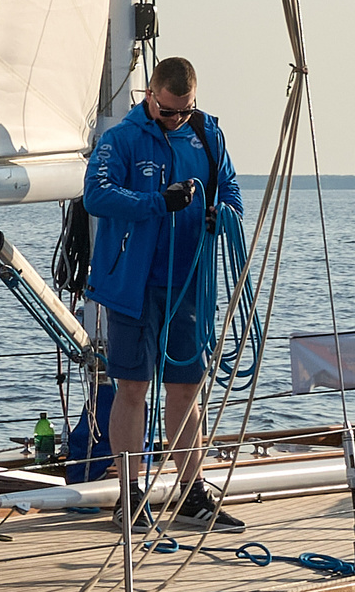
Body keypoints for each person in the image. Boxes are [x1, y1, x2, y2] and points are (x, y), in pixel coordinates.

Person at [82, 56, 247, 534]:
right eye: (171, 110)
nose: (179, 119)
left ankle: (191, 493)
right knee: (132, 388)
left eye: (186, 110)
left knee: (186, 390)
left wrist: (222, 215)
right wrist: (157, 202)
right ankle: (129, 494)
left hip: (189, 282)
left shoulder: (208, 136)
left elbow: (231, 192)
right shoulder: (121, 140)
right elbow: (97, 194)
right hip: (132, 285)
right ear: (150, 94)